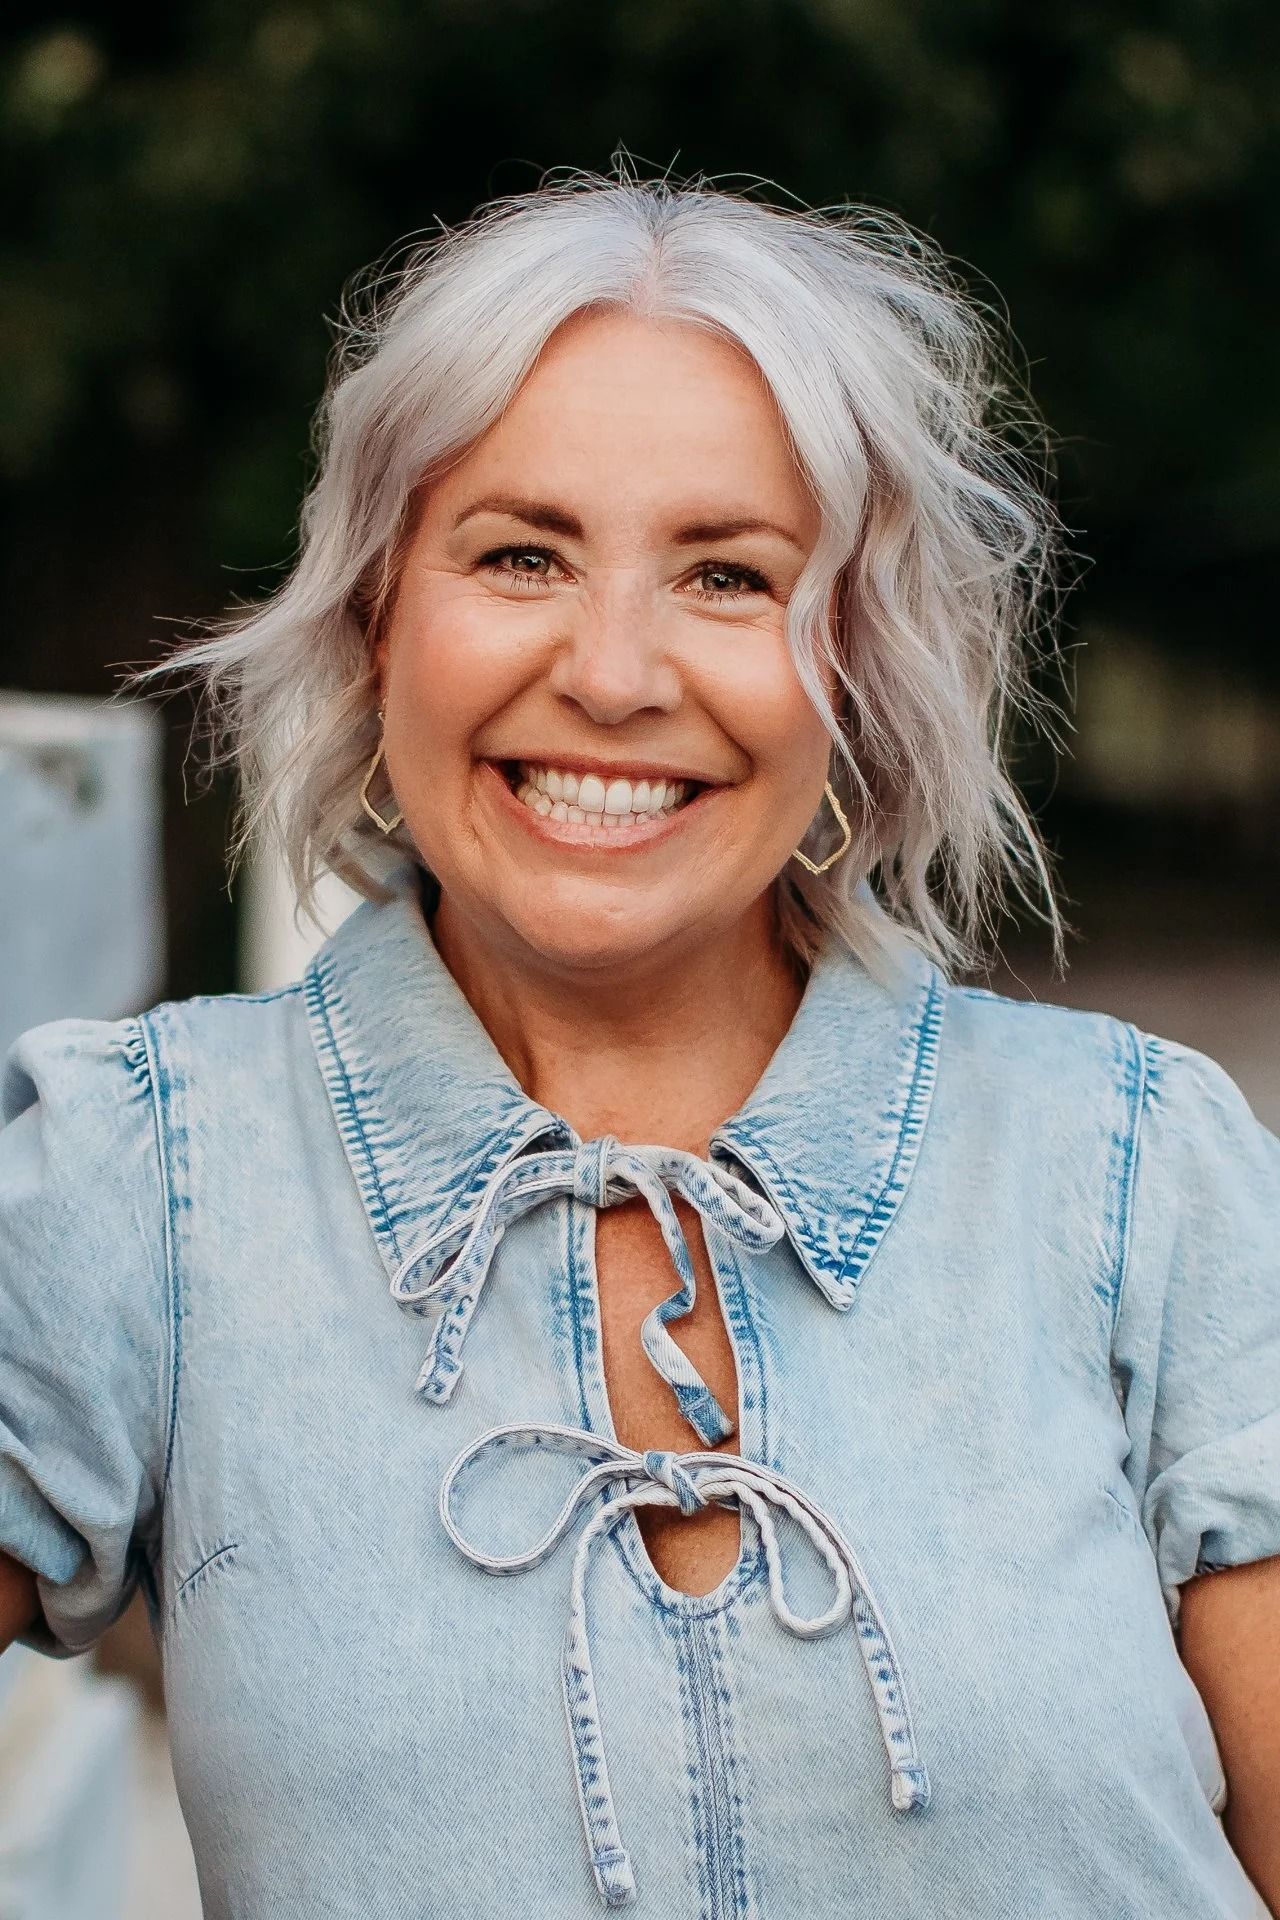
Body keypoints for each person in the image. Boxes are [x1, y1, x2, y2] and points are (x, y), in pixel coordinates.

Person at [1, 171, 1277, 1920]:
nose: (612, 674)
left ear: (858, 669)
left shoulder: (1145, 1173)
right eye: (520, 554)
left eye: (730, 575)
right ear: (378, 620)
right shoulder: (139, 1179)